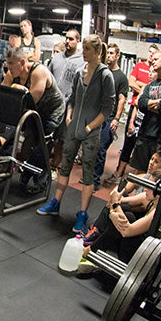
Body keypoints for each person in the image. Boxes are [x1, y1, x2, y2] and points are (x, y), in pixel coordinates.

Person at [37, 35, 116, 234]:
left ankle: (82, 214)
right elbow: (72, 98)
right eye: (84, 48)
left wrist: (90, 127)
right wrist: (69, 115)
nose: (84, 53)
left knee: (88, 173)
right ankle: (56, 203)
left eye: (88, 49)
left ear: (97, 51)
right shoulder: (80, 72)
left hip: (91, 133)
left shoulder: (105, 76)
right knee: (65, 166)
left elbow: (108, 108)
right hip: (73, 128)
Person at [82, 164, 161, 266]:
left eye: (150, 187)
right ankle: (95, 240)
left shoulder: (159, 212)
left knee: (127, 216)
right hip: (130, 242)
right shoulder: (149, 198)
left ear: (160, 192)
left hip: (142, 256)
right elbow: (116, 199)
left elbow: (128, 231)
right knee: (124, 207)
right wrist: (114, 208)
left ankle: (92, 249)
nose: (145, 189)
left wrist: (114, 210)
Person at [1, 46, 65, 194]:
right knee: (29, 142)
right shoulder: (12, 74)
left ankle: (40, 180)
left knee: (42, 144)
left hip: (52, 111)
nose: (8, 67)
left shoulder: (38, 72)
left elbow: (32, 100)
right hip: (34, 112)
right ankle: (27, 172)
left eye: (12, 63)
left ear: (22, 62)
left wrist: (16, 89)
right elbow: (3, 93)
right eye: (7, 63)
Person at [107, 44, 160, 185]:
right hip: (135, 111)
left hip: (147, 116)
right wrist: (144, 88)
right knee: (128, 143)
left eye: (154, 54)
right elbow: (131, 83)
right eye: (149, 52)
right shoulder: (140, 66)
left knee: (142, 148)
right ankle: (118, 173)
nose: (151, 55)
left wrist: (141, 87)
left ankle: (139, 179)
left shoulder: (157, 75)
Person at [126, 50, 161, 180]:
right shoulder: (150, 85)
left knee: (154, 175)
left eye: (156, 59)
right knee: (139, 173)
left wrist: (149, 104)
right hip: (144, 135)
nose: (152, 61)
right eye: (152, 59)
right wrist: (157, 102)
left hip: (160, 138)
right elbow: (141, 104)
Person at [92, 43, 129, 191]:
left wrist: (116, 119)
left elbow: (122, 99)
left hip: (109, 118)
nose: (109, 56)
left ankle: (95, 181)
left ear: (117, 56)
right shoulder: (101, 72)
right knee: (91, 147)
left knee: (101, 149)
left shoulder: (121, 77)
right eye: (108, 53)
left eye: (112, 53)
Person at [49, 29, 83, 170]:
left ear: (78, 41)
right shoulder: (57, 58)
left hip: (68, 106)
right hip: (51, 104)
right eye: (66, 38)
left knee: (61, 139)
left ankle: (56, 166)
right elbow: (48, 77)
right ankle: (43, 164)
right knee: (47, 136)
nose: (67, 41)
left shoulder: (82, 61)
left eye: (71, 39)